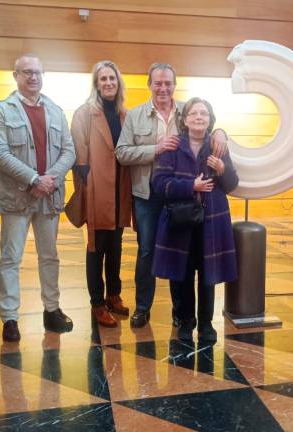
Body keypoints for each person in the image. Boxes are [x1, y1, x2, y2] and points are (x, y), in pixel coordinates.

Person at [116, 63, 229, 328]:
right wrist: (154, 149)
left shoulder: (186, 110)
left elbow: (207, 127)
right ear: (149, 85)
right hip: (148, 193)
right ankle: (143, 308)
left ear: (174, 85)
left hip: (184, 196)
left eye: (168, 83)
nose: (163, 88)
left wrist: (222, 132)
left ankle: (180, 313)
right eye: (158, 83)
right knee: (146, 252)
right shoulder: (135, 115)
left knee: (182, 253)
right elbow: (121, 152)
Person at [0, 54, 76, 342]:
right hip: (17, 197)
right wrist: (34, 179)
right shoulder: (3, 110)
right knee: (10, 257)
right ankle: (10, 318)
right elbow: (0, 154)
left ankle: (52, 310)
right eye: (26, 72)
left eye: (37, 72)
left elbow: (69, 151)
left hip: (49, 197)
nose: (33, 77)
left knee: (49, 256)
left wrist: (49, 179)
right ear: (16, 75)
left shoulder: (55, 109)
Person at [152, 97, 238, 342]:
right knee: (183, 274)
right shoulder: (172, 146)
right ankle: (186, 322)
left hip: (212, 221)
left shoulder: (218, 146)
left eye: (204, 113)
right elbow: (159, 184)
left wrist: (222, 169)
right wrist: (191, 185)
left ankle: (207, 325)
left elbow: (232, 184)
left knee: (208, 274)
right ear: (185, 119)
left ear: (210, 120)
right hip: (181, 221)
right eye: (194, 113)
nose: (199, 117)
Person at [70, 60, 132, 327]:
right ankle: (97, 302)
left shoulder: (124, 114)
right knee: (96, 247)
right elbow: (79, 154)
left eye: (112, 79)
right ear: (96, 84)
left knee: (116, 245)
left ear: (118, 84)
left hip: (121, 187)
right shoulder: (85, 113)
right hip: (97, 187)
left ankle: (113, 294)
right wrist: (88, 185)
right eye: (103, 79)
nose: (108, 83)